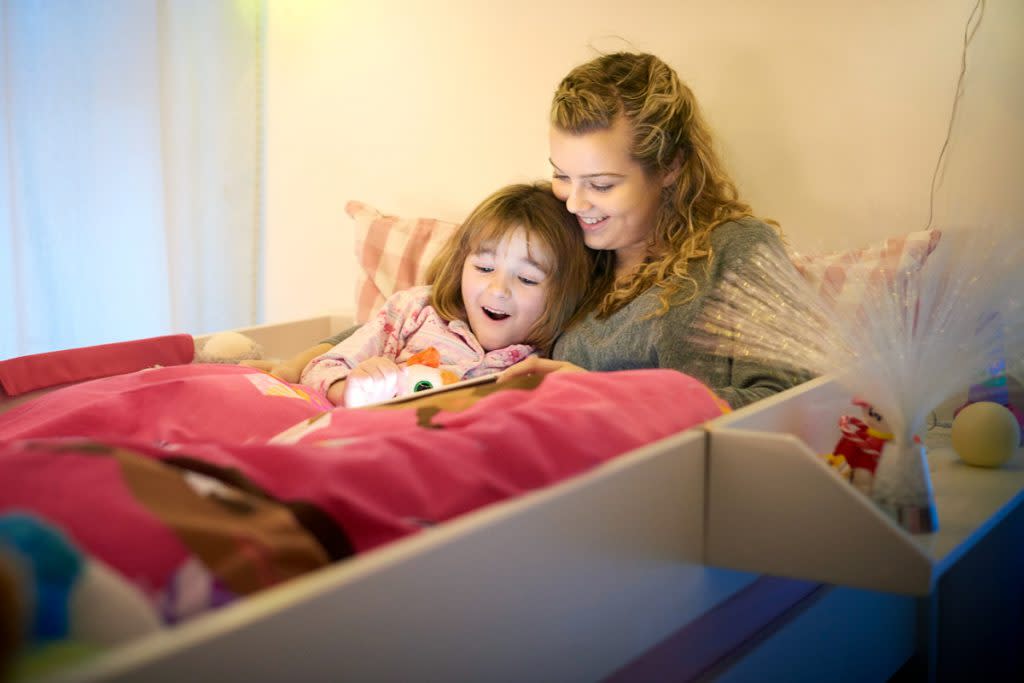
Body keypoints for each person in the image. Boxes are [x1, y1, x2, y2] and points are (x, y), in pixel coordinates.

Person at [499, 51, 807, 407]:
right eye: (562, 176)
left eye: (601, 185)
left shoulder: (737, 249)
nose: (574, 204)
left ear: (669, 167)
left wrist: (609, 399)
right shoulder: (570, 246)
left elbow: (791, 403)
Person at [297, 182, 593, 407]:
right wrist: (349, 388)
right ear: (461, 264)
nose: (498, 289)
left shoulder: (548, 359)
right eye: (485, 267)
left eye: (527, 279)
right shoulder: (413, 310)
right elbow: (319, 369)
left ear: (562, 293)